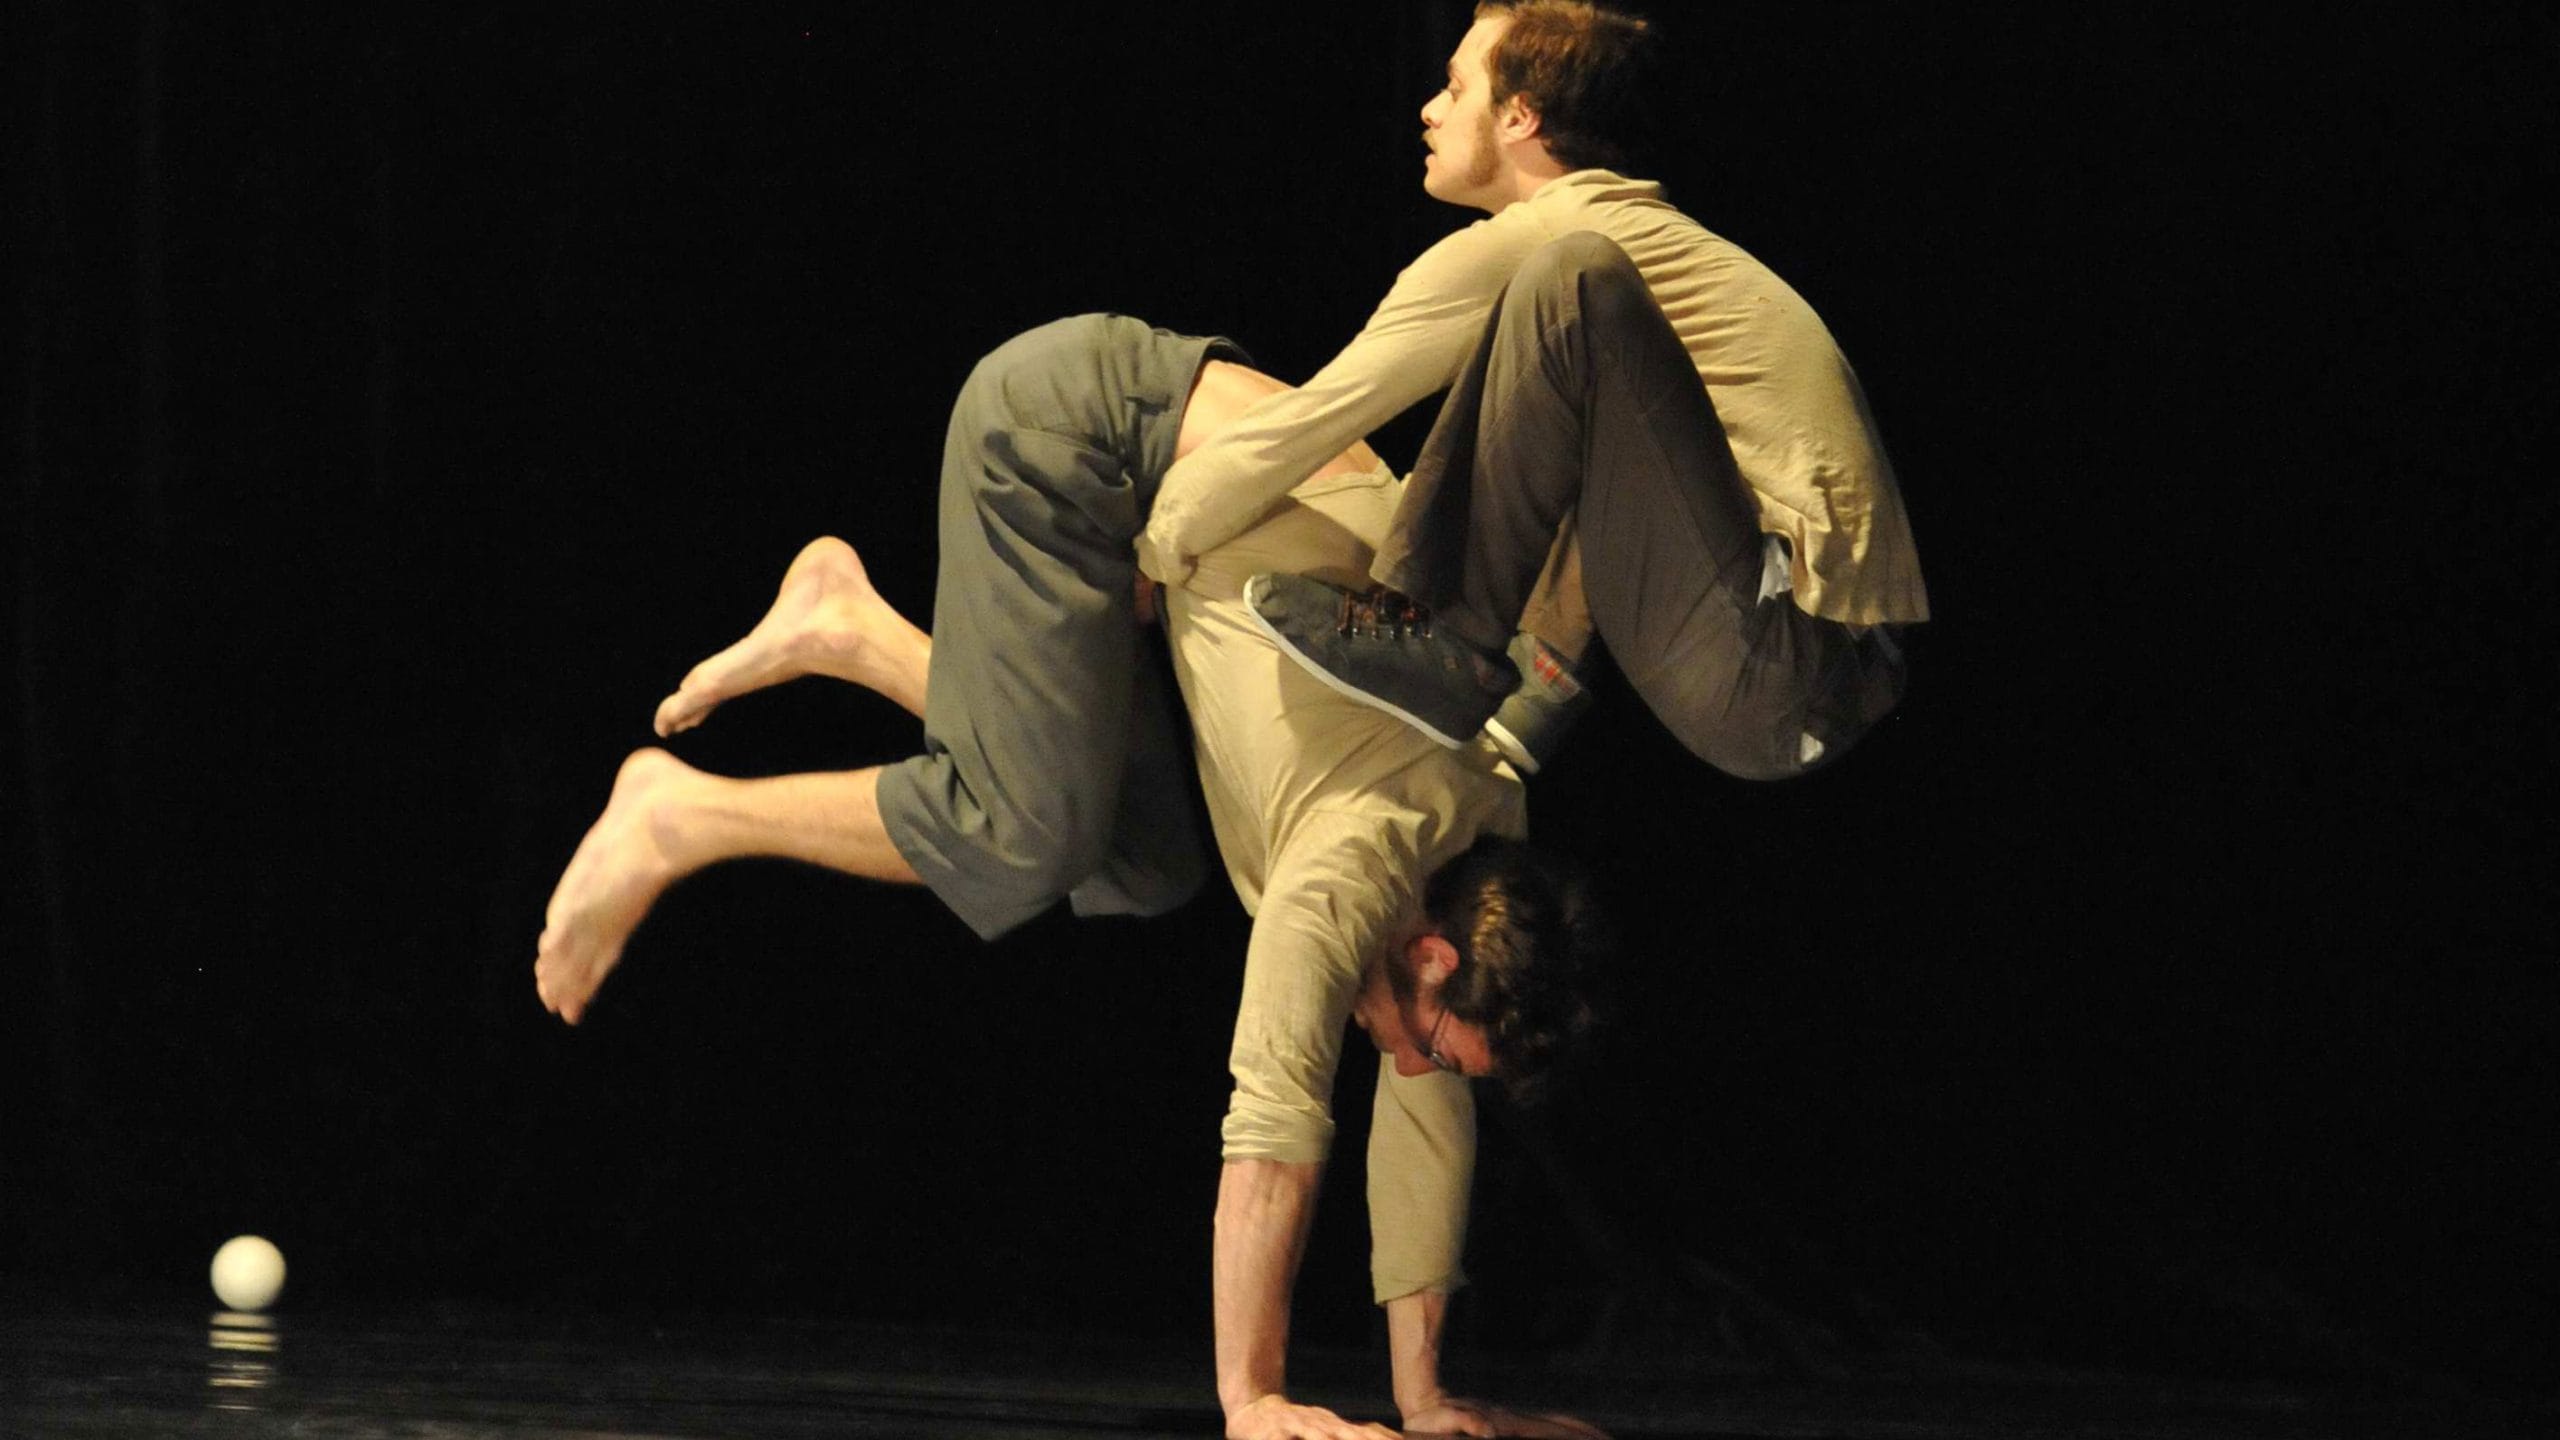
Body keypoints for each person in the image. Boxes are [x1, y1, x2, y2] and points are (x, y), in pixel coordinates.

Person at [534, 314, 1610, 1440]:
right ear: (1429, 955)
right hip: (1078, 435)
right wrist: (1251, 1400)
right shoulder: (1351, 870)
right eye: (1425, 1042)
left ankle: (851, 631)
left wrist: (1424, 1399)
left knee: (1142, 866)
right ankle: (678, 813)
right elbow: (1275, 1134)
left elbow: (1430, 1115)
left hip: (1171, 487)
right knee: (1027, 835)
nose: (1406, 1062)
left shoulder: (1484, 840)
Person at [1136, 0, 1930, 783]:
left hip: (1789, 655)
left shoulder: (1562, 243)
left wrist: (1155, 543)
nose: (1428, 109)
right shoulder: (1635, 256)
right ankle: (1526, 703)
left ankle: (1445, 638)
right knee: (1564, 388)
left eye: (1453, 89)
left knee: (1571, 282)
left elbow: (1315, 418)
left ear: (1519, 116)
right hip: (1819, 676)